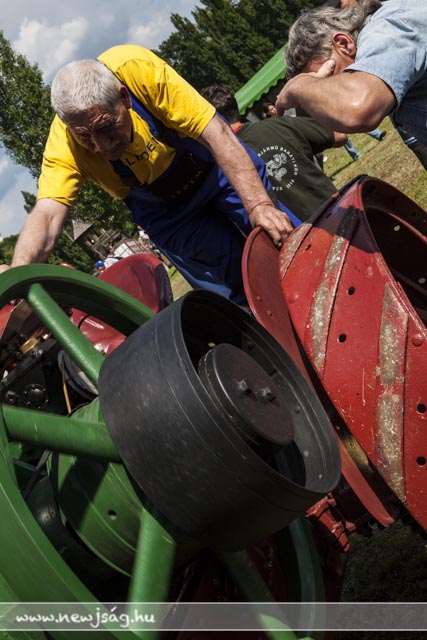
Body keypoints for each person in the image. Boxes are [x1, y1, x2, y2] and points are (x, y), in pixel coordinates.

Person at [2, 45, 296, 304]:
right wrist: (17, 278)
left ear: (124, 98)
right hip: (170, 216)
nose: (101, 146)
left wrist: (259, 205)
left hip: (217, 172)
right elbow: (48, 215)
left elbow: (215, 132)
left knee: (282, 237)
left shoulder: (137, 69)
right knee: (240, 276)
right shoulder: (63, 143)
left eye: (105, 127)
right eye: (84, 137)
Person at [276, 0, 427, 147]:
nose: (330, 95)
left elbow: (359, 110)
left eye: (327, 79)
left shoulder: (385, 30)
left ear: (343, 44)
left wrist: (298, 86)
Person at [201, 85, 347, 221]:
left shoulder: (220, 166)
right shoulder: (280, 124)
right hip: (337, 212)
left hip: (298, 234)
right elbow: (340, 136)